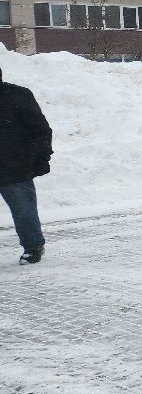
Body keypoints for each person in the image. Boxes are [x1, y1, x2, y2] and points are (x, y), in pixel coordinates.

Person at [0, 67, 53, 264]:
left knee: (23, 208)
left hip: (13, 165)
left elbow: (40, 129)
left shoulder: (17, 96)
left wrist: (40, 156)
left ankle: (33, 246)